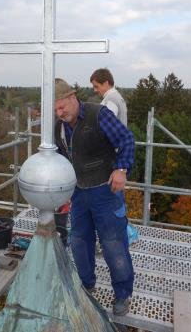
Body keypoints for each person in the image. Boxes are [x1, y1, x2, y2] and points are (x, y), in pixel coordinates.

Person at [54, 78, 135, 316]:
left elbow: (126, 139)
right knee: (79, 240)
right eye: (55, 109)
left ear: (72, 97)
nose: (59, 113)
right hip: (78, 192)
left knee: (113, 245)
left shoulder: (98, 115)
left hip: (105, 191)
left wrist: (121, 169)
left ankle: (122, 294)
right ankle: (87, 284)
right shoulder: (57, 126)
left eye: (62, 107)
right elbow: (58, 157)